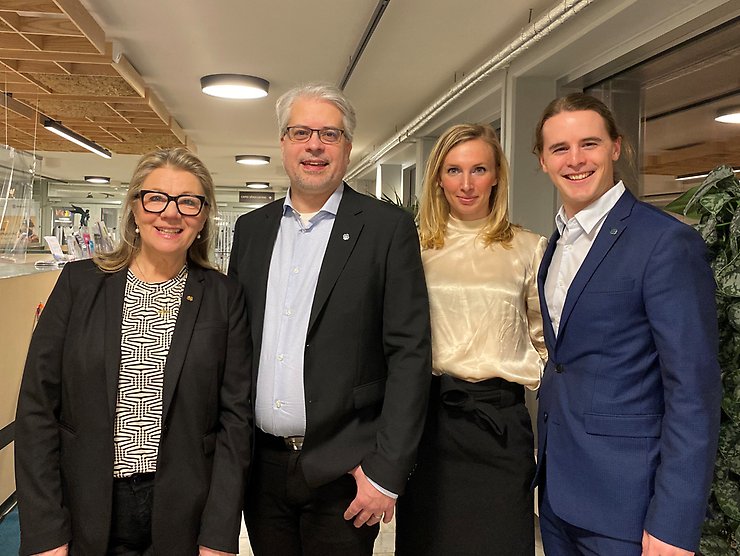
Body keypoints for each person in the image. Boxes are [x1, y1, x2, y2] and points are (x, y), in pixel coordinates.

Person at [15, 147, 252, 556]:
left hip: (184, 511)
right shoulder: (79, 284)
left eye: (188, 202)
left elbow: (235, 421)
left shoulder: (224, 297)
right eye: (156, 197)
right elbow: (37, 408)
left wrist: (218, 533)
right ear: (135, 208)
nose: (171, 213)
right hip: (85, 506)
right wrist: (45, 531)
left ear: (203, 217)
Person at [228, 83, 431, 556]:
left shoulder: (386, 229)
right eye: (301, 132)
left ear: (347, 146)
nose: (314, 145)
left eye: (329, 134)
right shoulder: (251, 230)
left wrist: (385, 471)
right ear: (283, 143)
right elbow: (236, 344)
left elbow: (409, 354)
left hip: (347, 470)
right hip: (261, 468)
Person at [532, 93, 721, 555]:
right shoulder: (557, 244)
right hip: (558, 497)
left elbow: (693, 390)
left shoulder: (665, 242)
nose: (575, 160)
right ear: (542, 161)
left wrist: (674, 522)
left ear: (616, 147)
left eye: (589, 144)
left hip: (629, 508)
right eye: (559, 148)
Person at [395, 123, 548, 556]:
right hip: (426, 425)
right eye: (454, 170)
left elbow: (544, 342)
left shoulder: (528, 248)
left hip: (499, 427)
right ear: (438, 178)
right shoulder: (413, 248)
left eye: (478, 169)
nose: (466, 184)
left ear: (496, 175)